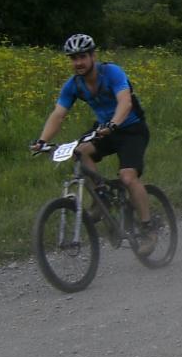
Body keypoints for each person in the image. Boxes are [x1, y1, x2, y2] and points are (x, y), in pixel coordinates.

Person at [31, 34, 157, 256]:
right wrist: (42, 142)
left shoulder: (112, 73)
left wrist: (114, 124)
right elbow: (58, 115)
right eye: (73, 58)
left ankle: (149, 228)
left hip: (131, 130)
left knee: (128, 177)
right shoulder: (74, 85)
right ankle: (101, 198)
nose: (78, 62)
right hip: (104, 130)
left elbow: (125, 102)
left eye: (82, 57)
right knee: (79, 151)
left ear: (93, 56)